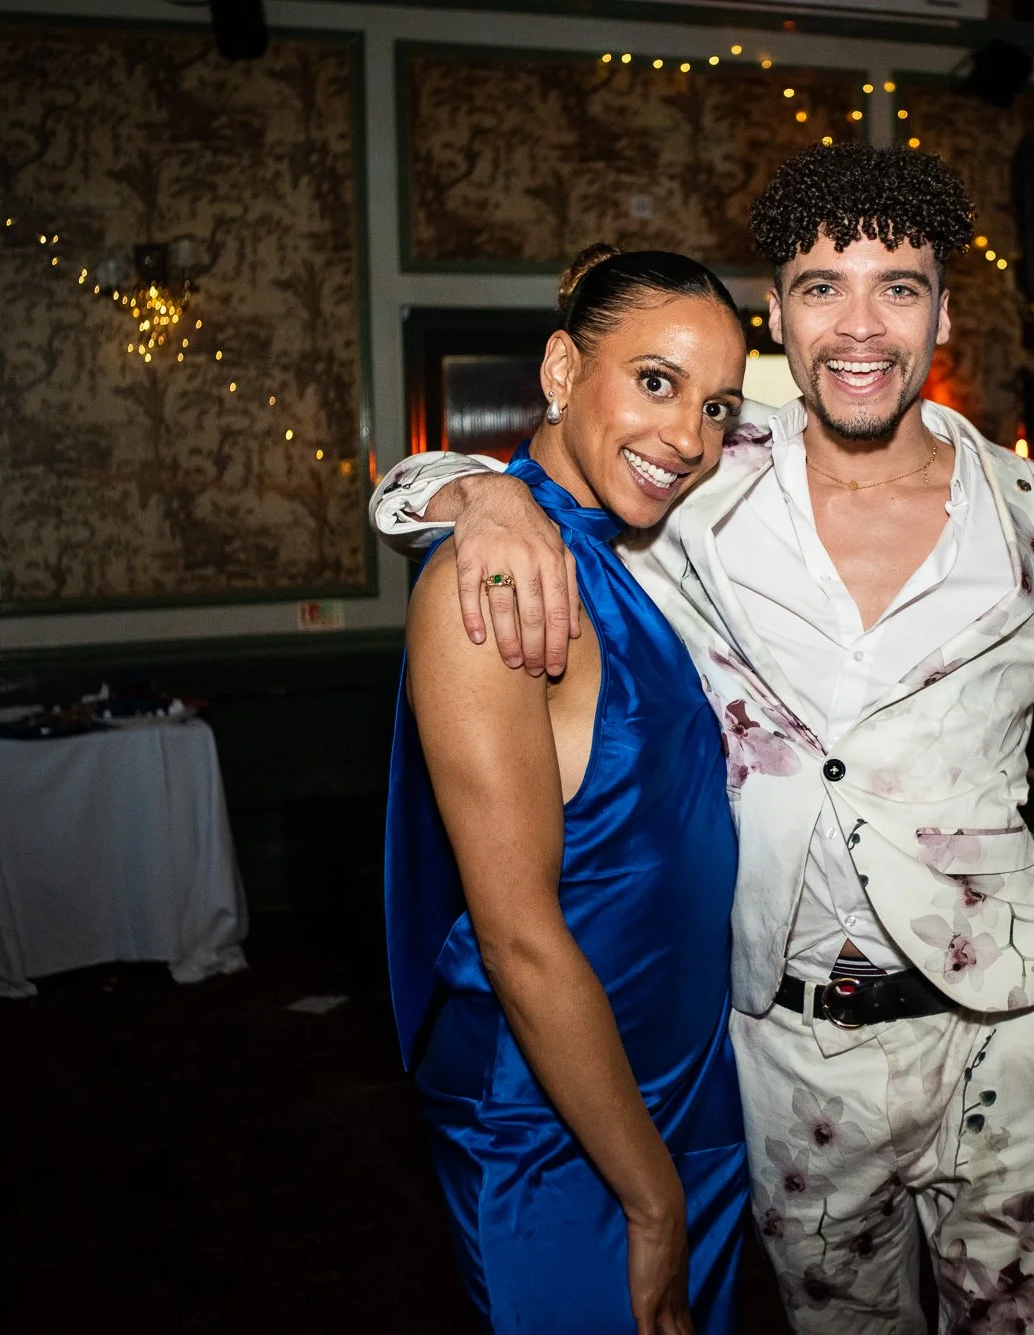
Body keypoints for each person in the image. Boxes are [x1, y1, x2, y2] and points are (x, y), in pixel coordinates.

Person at [374, 145, 1034, 1334]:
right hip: (788, 1063)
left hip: (1002, 1043)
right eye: (820, 288)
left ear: (942, 311)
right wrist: (473, 495)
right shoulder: (699, 471)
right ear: (778, 317)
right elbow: (520, 463)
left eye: (896, 288)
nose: (858, 327)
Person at [385, 245, 751, 1335]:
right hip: (557, 1126)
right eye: (655, 381)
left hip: (677, 1087)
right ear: (559, 370)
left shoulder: (609, 555)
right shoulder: (499, 578)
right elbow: (519, 941)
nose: (688, 438)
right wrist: (649, 1200)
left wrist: (473, 486)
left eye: (717, 407)